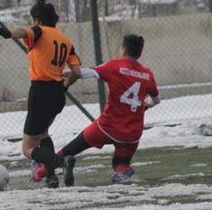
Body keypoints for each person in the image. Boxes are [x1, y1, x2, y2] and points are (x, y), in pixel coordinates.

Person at [45, 34, 160, 185]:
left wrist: (63, 73)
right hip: (132, 134)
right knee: (120, 163)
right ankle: (122, 172)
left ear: (123, 50)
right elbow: (156, 100)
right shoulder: (147, 74)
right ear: (139, 53)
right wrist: (144, 104)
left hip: (107, 127)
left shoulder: (115, 66)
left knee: (71, 148)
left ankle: (41, 172)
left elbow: (83, 73)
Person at [0, 0, 80, 188]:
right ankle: (51, 177)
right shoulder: (66, 40)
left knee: (27, 148)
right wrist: (65, 85)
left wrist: (9, 33)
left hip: (41, 91)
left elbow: (24, 31)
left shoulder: (40, 31)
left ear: (37, 19)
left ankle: (61, 162)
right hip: (58, 93)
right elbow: (76, 72)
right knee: (43, 134)